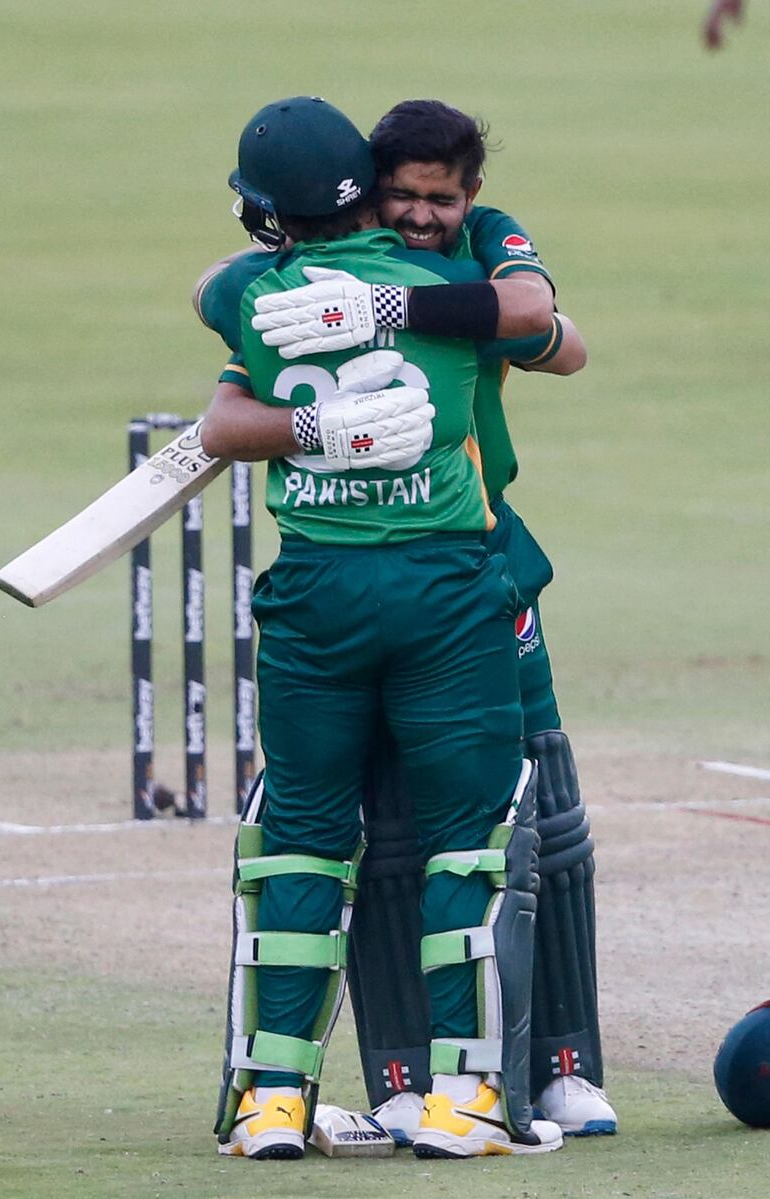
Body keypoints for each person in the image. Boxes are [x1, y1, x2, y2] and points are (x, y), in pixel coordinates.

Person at [200, 99, 616, 1141]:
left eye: (443, 197)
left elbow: (211, 304)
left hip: (313, 596)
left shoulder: (252, 291)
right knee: (466, 838)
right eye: (405, 195)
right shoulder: (453, 292)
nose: (425, 213)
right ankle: (466, 1097)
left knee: (297, 838)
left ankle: (270, 1101)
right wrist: (359, 364)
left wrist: (350, 326)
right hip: (442, 590)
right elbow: (545, 336)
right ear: (367, 187)